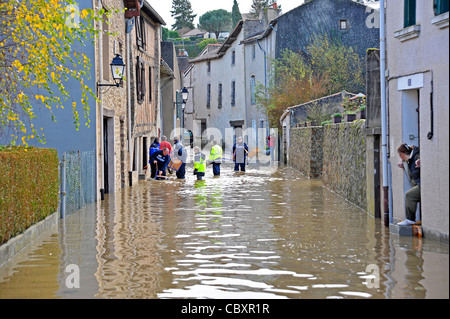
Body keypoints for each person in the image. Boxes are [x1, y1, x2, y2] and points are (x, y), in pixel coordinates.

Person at [396, 143, 421, 226]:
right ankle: (410, 219)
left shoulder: (417, 157)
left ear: (401, 154)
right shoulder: (410, 158)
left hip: (422, 185)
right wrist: (403, 162)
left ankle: (410, 220)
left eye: (399, 155)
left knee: (409, 195)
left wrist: (421, 163)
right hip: (418, 184)